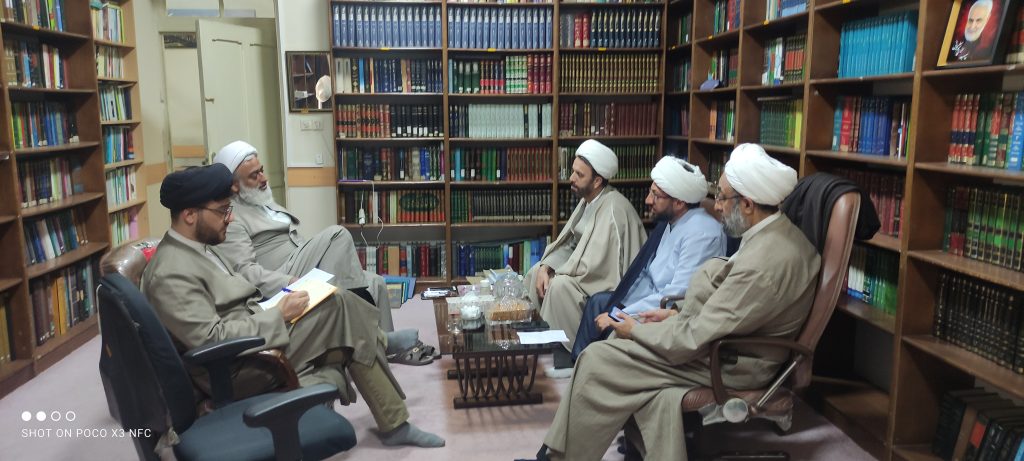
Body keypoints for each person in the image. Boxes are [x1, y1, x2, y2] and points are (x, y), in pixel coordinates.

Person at [526, 143, 820, 461]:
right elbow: (729, 309)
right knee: (615, 352)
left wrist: (634, 330)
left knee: (598, 359)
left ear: (748, 204)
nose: (717, 206)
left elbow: (695, 337)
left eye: (722, 197)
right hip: (721, 342)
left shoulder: (765, 263)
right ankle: (557, 454)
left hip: (730, 362)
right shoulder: (776, 235)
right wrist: (673, 313)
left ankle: (557, 457)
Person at [142, 164, 444, 448]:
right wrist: (278, 314)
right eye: (223, 211)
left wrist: (279, 305)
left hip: (253, 339)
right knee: (339, 307)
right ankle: (385, 361)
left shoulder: (199, 248)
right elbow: (211, 340)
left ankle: (394, 419)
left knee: (333, 302)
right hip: (236, 369)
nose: (230, 219)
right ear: (189, 214)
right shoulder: (171, 273)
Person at [213, 140, 430, 363]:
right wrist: (290, 281)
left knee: (376, 282)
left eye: (261, 170)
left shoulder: (262, 201)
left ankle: (387, 351)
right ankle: (371, 338)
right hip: (284, 277)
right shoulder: (232, 218)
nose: (264, 178)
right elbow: (245, 272)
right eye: (254, 176)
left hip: (300, 263)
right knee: (337, 234)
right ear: (235, 185)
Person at [570, 156, 726, 361]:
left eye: (655, 195)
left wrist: (619, 315)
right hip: (647, 297)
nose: (648, 200)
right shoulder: (673, 221)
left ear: (679, 202)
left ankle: (589, 365)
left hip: (663, 312)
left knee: (606, 323)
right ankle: (577, 365)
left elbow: (677, 296)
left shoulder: (702, 234)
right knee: (597, 303)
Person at [522, 139, 646, 369]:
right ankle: (533, 342)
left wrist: (558, 274)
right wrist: (547, 266)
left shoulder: (613, 209)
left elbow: (599, 268)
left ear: (597, 181)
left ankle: (563, 356)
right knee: (536, 272)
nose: (571, 178)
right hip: (583, 273)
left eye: (579, 174)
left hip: (603, 286)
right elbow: (571, 245)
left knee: (559, 287)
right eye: (573, 171)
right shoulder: (589, 201)